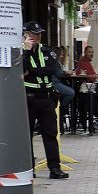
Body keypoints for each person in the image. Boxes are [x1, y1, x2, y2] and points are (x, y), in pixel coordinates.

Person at [21, 22, 68, 179]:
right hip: (29, 100)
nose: (38, 36)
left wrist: (31, 71)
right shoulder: (20, 52)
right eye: (34, 33)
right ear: (26, 34)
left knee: (50, 135)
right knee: (26, 136)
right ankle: (28, 168)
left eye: (39, 33)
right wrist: (27, 54)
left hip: (46, 99)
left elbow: (53, 69)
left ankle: (55, 169)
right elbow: (21, 70)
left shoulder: (48, 51)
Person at [50, 47, 75, 133]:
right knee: (71, 93)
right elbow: (59, 73)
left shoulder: (57, 63)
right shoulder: (55, 63)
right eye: (60, 55)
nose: (62, 56)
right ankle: (62, 108)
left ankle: (62, 109)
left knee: (70, 91)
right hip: (55, 83)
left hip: (57, 83)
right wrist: (66, 73)